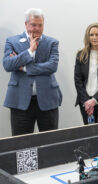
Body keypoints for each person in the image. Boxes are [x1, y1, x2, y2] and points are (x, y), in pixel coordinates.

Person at [2, 8, 62, 136]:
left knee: (50, 143)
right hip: (20, 102)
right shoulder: (12, 41)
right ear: (26, 24)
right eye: (33, 25)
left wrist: (24, 68)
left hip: (47, 101)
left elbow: (52, 66)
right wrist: (29, 51)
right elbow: (7, 65)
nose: (37, 28)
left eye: (40, 25)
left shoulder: (52, 43)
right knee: (21, 145)